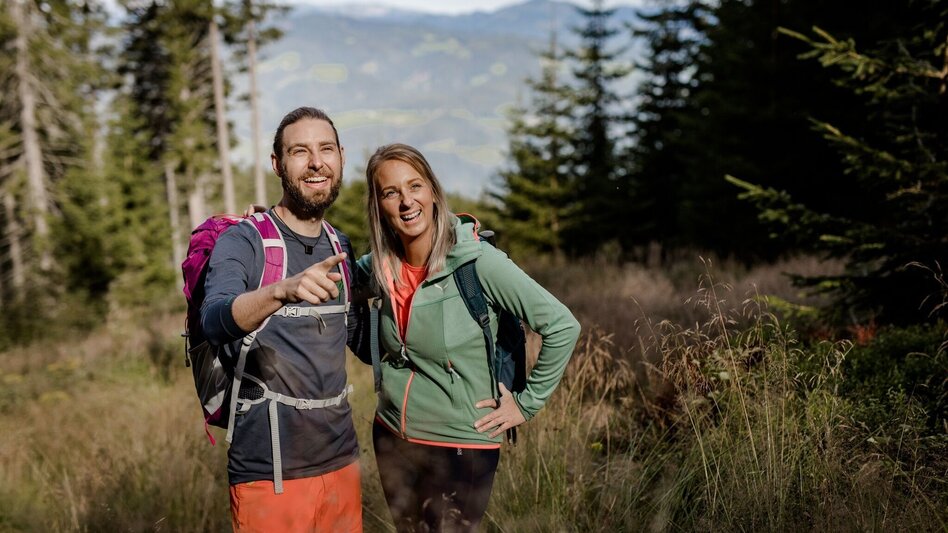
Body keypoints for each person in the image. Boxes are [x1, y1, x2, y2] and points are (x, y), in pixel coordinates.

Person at [358, 143, 581, 531]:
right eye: (390, 192)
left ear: (433, 191)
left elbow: (563, 325)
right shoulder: (379, 266)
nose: (406, 201)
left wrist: (526, 405)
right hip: (392, 436)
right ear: (378, 205)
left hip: (460, 446)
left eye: (415, 186)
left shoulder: (478, 262)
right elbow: (326, 270)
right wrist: (268, 224)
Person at [201, 106, 367, 532]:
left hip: (343, 465)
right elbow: (215, 320)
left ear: (341, 157)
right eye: (300, 151)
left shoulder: (339, 243)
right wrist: (280, 290)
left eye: (326, 149)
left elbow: (360, 341)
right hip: (270, 473)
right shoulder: (244, 241)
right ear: (277, 164)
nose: (316, 162)